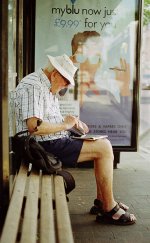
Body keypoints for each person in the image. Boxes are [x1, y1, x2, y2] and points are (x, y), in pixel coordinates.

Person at [14, 53, 136, 225]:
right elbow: (35, 127)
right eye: (66, 81)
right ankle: (108, 207)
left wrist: (72, 123)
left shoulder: (46, 84)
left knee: (101, 144)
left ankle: (102, 201)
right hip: (40, 146)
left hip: (49, 141)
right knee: (104, 148)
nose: (66, 86)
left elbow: (48, 120)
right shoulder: (33, 86)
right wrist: (65, 125)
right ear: (55, 74)